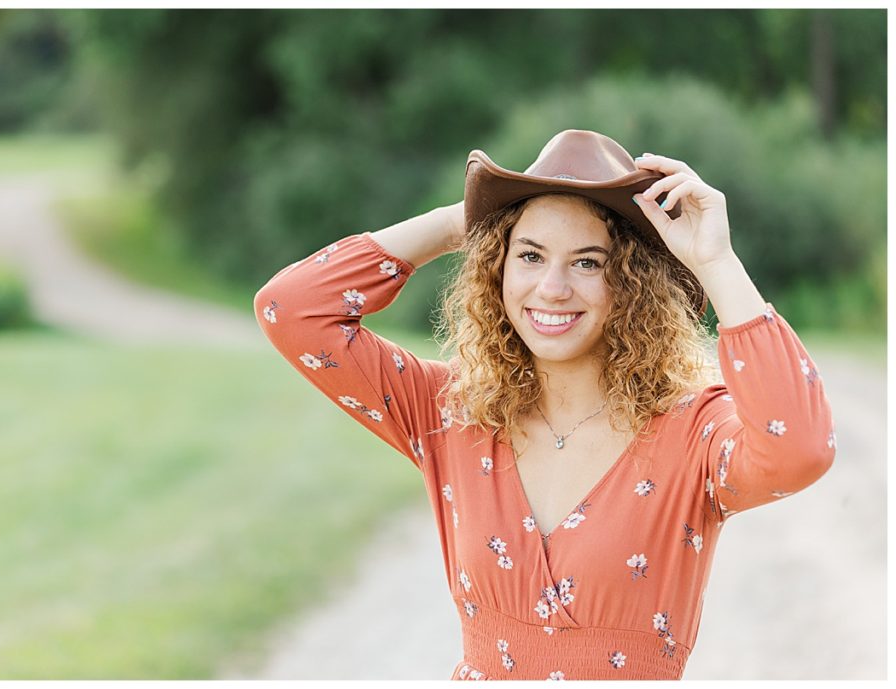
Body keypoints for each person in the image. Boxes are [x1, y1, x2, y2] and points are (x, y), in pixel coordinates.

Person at [254, 129, 836, 680]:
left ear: (632, 284)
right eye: (530, 255)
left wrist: (715, 263)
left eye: (587, 262)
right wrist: (467, 219)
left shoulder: (693, 432)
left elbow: (801, 448)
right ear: (497, 268)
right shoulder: (451, 413)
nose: (552, 288)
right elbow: (292, 308)